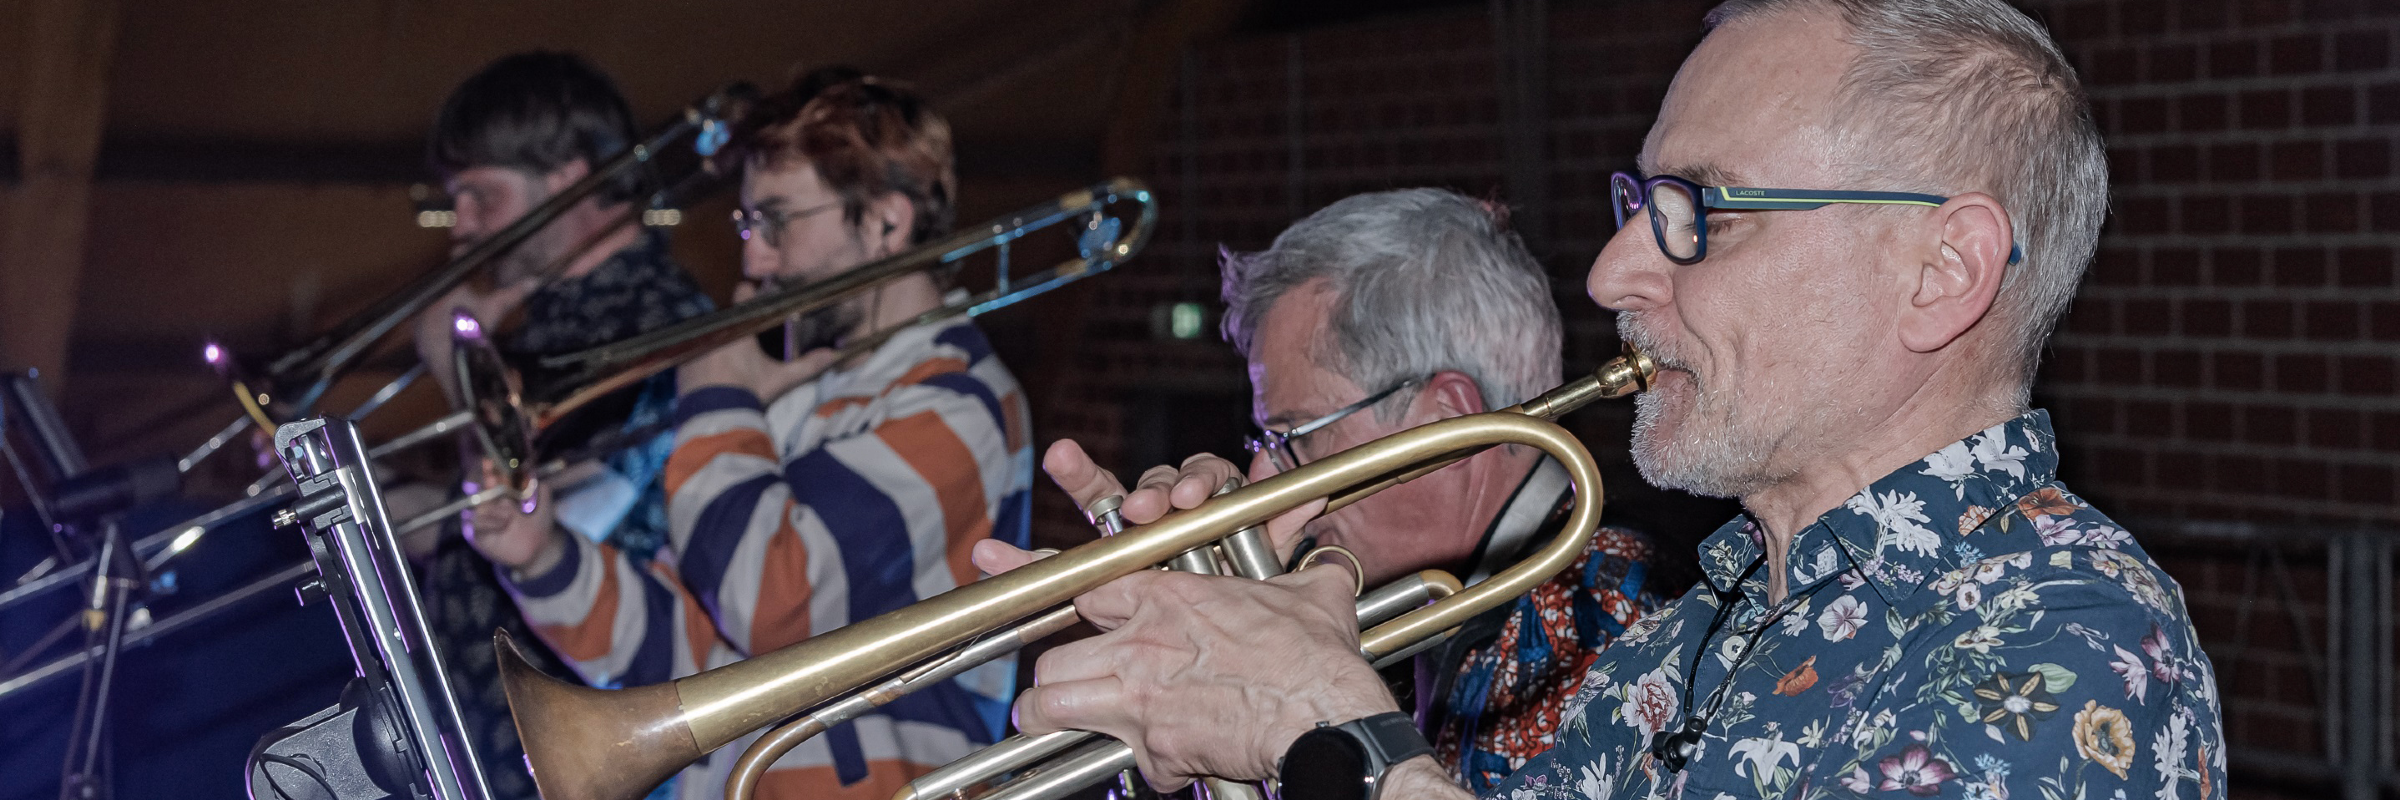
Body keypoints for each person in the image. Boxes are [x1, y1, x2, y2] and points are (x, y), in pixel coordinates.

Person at [987, 1, 2225, 798]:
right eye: (1638, 209)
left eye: (1700, 214)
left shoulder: (2079, 643)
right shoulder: (1697, 633)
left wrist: (1331, 734)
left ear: (1939, 269)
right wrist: (1215, 692)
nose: (1611, 271)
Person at [469, 71, 1034, 800]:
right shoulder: (797, 394)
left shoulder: (960, 402)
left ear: (888, 221)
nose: (755, 260)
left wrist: (716, 394)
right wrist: (543, 557)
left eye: (778, 221)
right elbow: (690, 651)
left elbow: (771, 604)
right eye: (747, 226)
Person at [1046, 187, 1676, 791]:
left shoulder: (1599, 626)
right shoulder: (1442, 606)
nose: (1268, 478)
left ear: (1443, 425)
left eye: (1294, 436)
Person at [400, 50, 717, 800]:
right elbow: (466, 534)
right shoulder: (545, 324)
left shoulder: (653, 321)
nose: (461, 226)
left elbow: (563, 514)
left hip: (573, 741)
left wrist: (459, 371)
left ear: (569, 184)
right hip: (494, 739)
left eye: (482, 196)